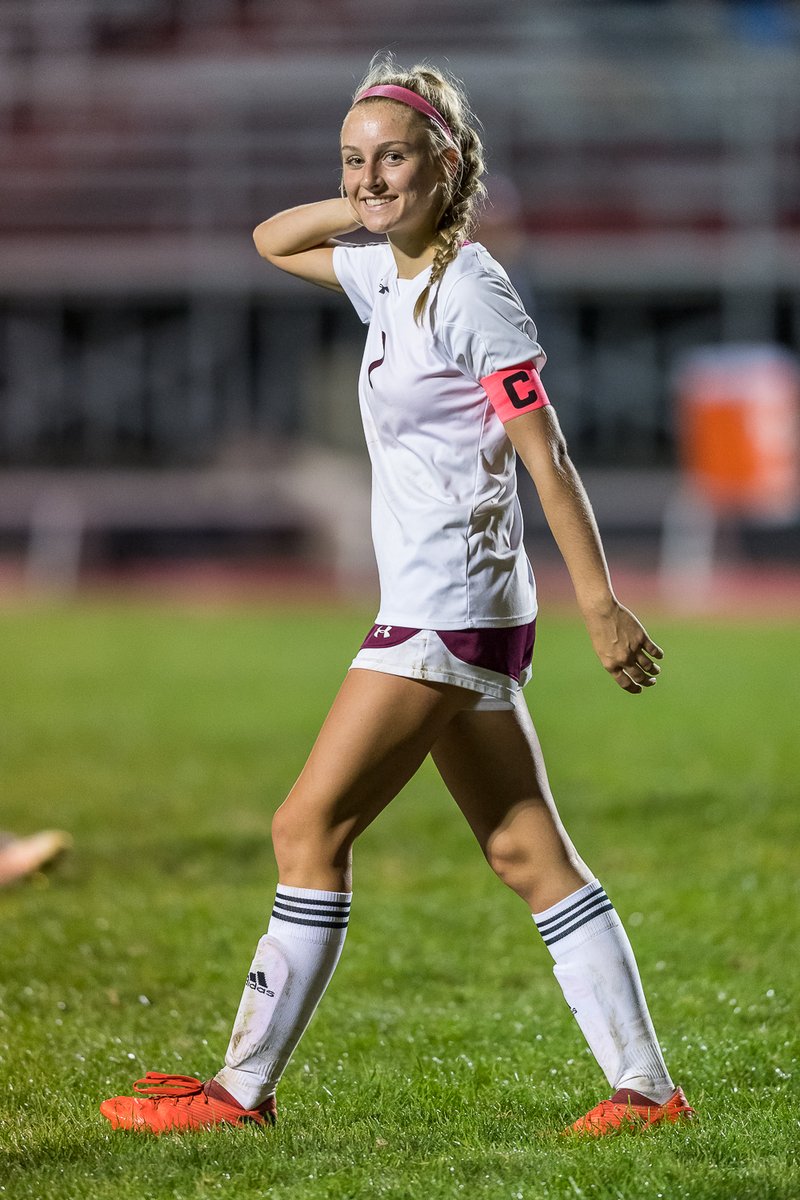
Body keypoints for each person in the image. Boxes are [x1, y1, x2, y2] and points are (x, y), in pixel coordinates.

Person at [100, 57, 693, 1137]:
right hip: (457, 605)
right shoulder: (390, 272)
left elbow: (546, 455)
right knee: (527, 854)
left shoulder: (471, 288)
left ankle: (241, 1094)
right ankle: (648, 1092)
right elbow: (271, 239)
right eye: (352, 158)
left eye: (393, 157)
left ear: (448, 163)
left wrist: (600, 603)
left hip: (443, 606)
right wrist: (377, 199)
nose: (368, 178)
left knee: (304, 828)